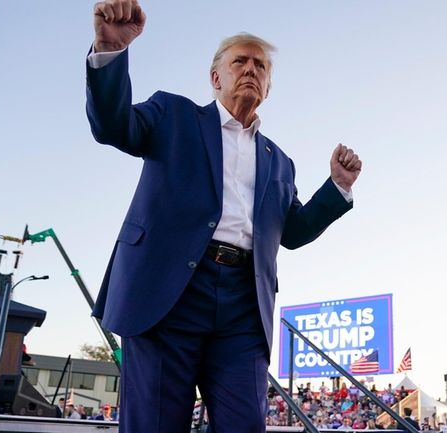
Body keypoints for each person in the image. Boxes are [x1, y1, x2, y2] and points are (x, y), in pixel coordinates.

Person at [85, 1, 361, 432]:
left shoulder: (279, 162)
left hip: (243, 306)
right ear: (216, 78)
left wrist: (338, 187)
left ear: (268, 86)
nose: (251, 69)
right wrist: (111, 51)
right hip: (166, 295)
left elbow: (293, 232)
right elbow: (113, 126)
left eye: (261, 66)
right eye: (240, 61)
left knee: (244, 424)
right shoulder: (173, 115)